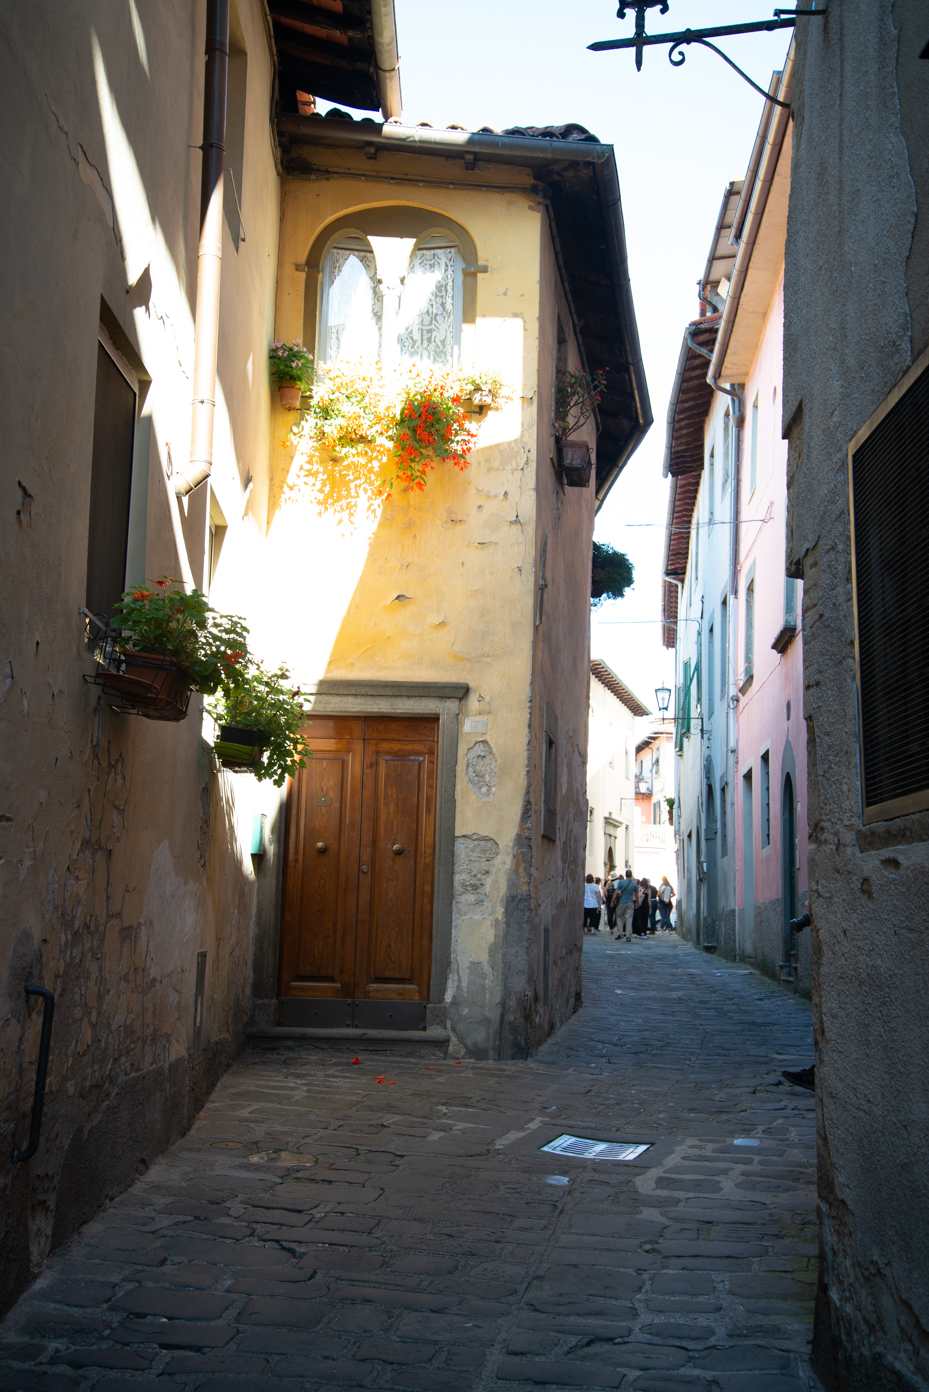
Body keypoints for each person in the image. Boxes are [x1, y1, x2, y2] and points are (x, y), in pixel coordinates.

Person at [613, 870, 638, 942]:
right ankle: (628, 936)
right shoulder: (634, 884)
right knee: (629, 919)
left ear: (625, 875)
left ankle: (620, 933)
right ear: (631, 875)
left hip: (622, 902)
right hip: (630, 902)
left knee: (619, 916)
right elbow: (636, 894)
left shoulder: (621, 882)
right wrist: (636, 902)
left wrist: (612, 900)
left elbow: (616, 892)